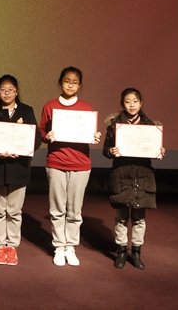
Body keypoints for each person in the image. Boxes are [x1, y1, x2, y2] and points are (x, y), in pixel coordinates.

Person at [39, 66, 101, 267]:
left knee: (74, 210)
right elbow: (42, 131)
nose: (70, 85)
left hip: (81, 164)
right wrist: (46, 136)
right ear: (60, 83)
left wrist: (94, 136)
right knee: (57, 209)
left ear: (80, 85)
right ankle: (59, 246)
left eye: (75, 82)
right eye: (67, 81)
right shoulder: (50, 106)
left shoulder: (86, 108)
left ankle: (70, 246)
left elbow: (89, 133)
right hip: (56, 162)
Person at [0, 75, 41, 266]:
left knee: (14, 211)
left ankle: (12, 246)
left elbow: (36, 139)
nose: (7, 93)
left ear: (17, 91)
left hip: (19, 168)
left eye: (11, 89)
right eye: (3, 89)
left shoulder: (26, 111)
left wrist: (22, 149)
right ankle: (0, 245)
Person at [103, 88, 165, 269]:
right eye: (127, 101)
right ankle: (121, 251)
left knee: (139, 217)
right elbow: (105, 150)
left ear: (141, 103)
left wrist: (159, 151)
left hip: (142, 175)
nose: (132, 105)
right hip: (122, 175)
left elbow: (154, 150)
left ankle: (136, 252)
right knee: (121, 216)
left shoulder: (151, 126)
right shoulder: (114, 125)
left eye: (135, 101)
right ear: (122, 104)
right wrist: (111, 151)